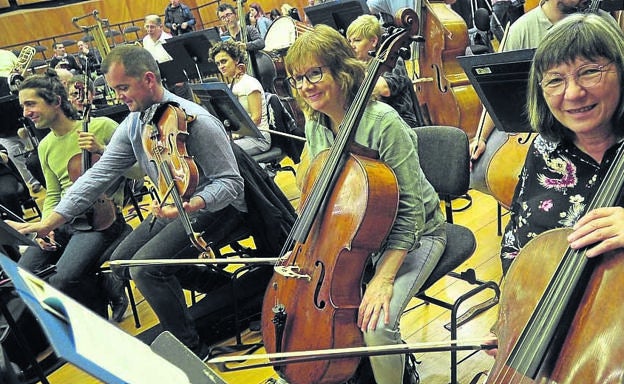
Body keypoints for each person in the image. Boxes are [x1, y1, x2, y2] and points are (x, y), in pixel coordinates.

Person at [10, 45, 246, 358]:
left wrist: (195, 203)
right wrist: (49, 221)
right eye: (114, 89)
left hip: (216, 207)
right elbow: (97, 177)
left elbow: (231, 183)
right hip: (172, 206)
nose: (118, 96)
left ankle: (193, 349)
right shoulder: (136, 123)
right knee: (120, 262)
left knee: (145, 269)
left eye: (122, 88)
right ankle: (226, 291)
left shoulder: (197, 120)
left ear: (149, 79)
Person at [285, 24, 446, 384]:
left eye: (315, 72)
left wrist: (384, 278)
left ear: (341, 72)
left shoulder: (383, 123)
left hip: (417, 235)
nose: (306, 85)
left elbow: (411, 213)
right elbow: (317, 186)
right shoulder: (316, 123)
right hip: (355, 236)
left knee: (377, 325)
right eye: (298, 78)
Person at [499, 12, 624, 275]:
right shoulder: (543, 149)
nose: (574, 93)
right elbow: (513, 239)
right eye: (555, 80)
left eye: (590, 72)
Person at [9, 70, 127, 320]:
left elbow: (138, 169)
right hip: (64, 220)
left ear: (56, 101)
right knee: (25, 273)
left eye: (31, 103)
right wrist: (45, 226)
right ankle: (103, 285)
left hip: (101, 221)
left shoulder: (100, 127)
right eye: (23, 106)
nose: (25, 112)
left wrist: (103, 149)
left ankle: (99, 311)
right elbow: (53, 193)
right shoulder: (45, 146)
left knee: (63, 277)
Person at [469, 0, 614, 195]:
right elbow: (498, 91)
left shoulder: (602, 23)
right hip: (536, 128)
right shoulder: (522, 28)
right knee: (479, 173)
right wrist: (481, 137)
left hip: (594, 124)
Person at [346, 14, 421, 128]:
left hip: (402, 124)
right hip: (375, 124)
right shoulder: (359, 66)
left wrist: (355, 69)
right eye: (349, 41)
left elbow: (385, 89)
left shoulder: (393, 59)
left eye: (357, 40)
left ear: (374, 41)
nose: (352, 46)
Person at [209, 41, 271, 155]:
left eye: (224, 61)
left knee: (222, 151)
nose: (221, 66)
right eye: (218, 64)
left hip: (259, 138)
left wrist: (237, 135)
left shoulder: (250, 83)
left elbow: (256, 119)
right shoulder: (230, 86)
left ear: (236, 60)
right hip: (243, 137)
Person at [142, 14, 194, 101]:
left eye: (152, 27)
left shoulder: (169, 39)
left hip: (177, 80)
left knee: (187, 108)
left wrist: (181, 78)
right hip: (161, 81)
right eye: (147, 26)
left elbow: (181, 60)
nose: (149, 30)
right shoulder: (146, 40)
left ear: (161, 27)